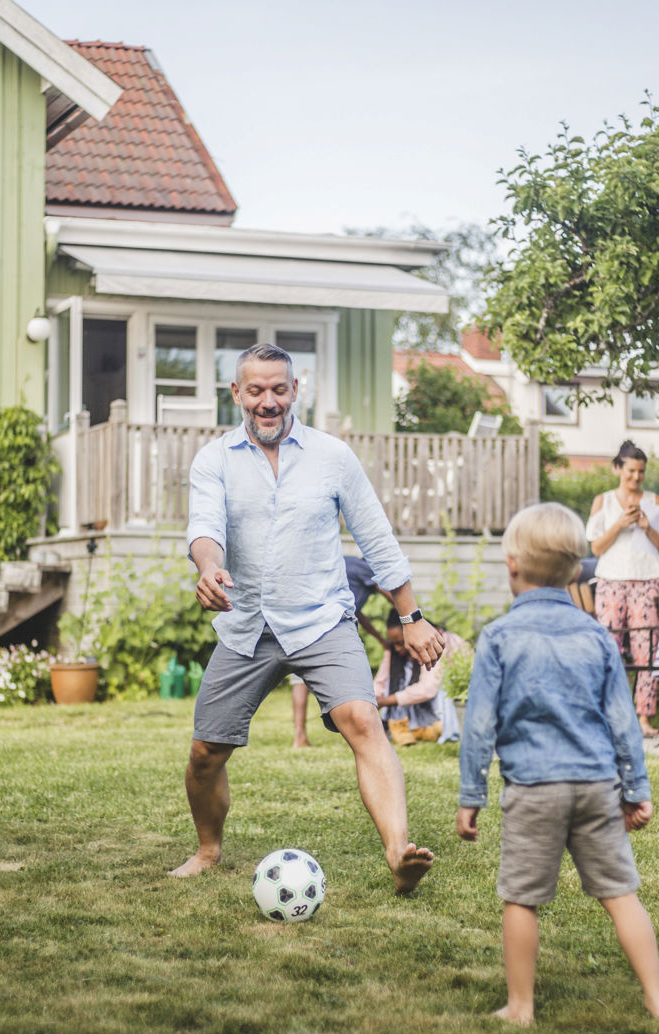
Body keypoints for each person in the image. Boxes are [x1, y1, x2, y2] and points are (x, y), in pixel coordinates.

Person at [177, 342, 443, 894]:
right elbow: (205, 529)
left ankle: (399, 853)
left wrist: (412, 615)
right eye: (256, 390)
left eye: (279, 389)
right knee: (206, 753)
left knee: (364, 722)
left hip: (322, 620)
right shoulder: (215, 459)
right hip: (247, 621)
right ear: (237, 394)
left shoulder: (332, 456)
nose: (268, 402)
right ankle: (207, 849)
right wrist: (209, 568)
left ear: (295, 391)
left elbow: (377, 539)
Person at [457, 502, 659, 1026]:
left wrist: (471, 797)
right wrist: (635, 788)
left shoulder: (500, 638)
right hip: (597, 786)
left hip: (533, 789)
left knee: (521, 899)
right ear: (578, 570)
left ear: (511, 566)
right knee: (622, 894)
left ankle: (521, 1007)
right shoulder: (597, 635)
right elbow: (623, 722)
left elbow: (479, 726)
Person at [586, 441, 659, 737]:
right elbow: (596, 547)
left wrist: (647, 528)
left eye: (641, 472)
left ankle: (644, 718)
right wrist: (619, 525)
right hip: (611, 580)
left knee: (646, 650)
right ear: (617, 468)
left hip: (647, 580)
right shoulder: (603, 501)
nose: (636, 478)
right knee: (608, 649)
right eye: (631, 471)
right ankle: (606, 715)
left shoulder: (654, 501)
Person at [289, 555, 392, 748]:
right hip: (331, 629)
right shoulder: (365, 568)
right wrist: (411, 615)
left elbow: (358, 613)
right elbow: (389, 592)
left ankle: (299, 736)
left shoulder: (345, 563)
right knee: (349, 683)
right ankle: (361, 734)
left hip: (304, 620)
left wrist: (381, 640)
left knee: (299, 679)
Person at [374, 614, 468, 745]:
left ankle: (431, 727)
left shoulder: (436, 642)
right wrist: (372, 702)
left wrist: (386, 701)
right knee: (396, 679)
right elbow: (380, 682)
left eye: (400, 643)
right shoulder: (395, 651)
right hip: (419, 698)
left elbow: (428, 689)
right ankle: (401, 724)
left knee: (441, 686)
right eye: (393, 644)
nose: (396, 648)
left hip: (450, 699)